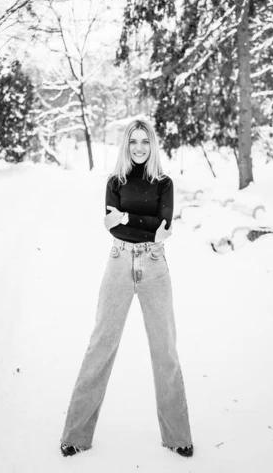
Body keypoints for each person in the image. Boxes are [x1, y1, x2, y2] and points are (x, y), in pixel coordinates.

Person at [60, 119, 193, 458]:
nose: (138, 147)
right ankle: (76, 434)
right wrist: (130, 223)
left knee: (165, 351)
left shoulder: (164, 183)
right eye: (133, 141)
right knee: (100, 345)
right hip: (118, 264)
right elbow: (110, 225)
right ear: (125, 144)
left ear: (152, 145)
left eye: (144, 141)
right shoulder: (114, 182)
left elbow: (162, 230)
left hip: (155, 266)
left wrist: (127, 219)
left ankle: (178, 436)